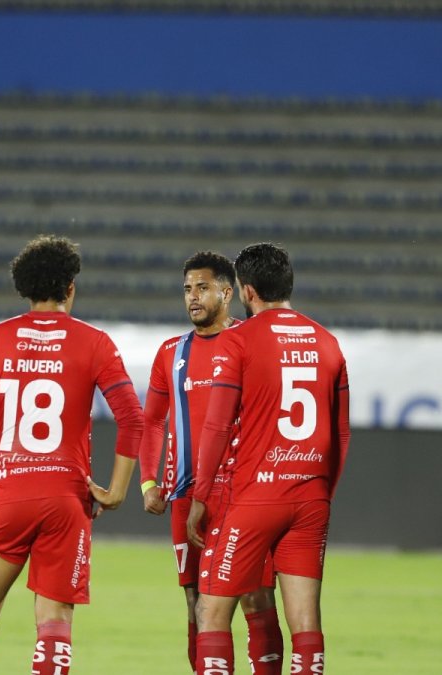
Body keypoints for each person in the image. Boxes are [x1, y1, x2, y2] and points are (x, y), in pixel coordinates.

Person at [0, 235, 144, 675]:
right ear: (70, 287)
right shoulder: (95, 342)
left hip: (5, 493)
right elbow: (132, 419)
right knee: (54, 624)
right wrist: (116, 491)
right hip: (66, 499)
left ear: (25, 289)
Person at [186, 242, 351, 675]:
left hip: (256, 499)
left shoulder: (238, 341)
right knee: (306, 623)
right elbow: (342, 433)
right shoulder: (328, 343)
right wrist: (322, 491)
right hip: (311, 496)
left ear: (247, 291)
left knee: (211, 613)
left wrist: (201, 495)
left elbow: (218, 427)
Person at [139, 251, 283, 673]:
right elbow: (151, 422)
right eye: (187, 289)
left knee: (255, 596)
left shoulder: (253, 342)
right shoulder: (170, 352)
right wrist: (149, 481)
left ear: (227, 290)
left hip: (242, 496)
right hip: (186, 495)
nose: (193, 297)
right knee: (196, 602)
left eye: (202, 288)